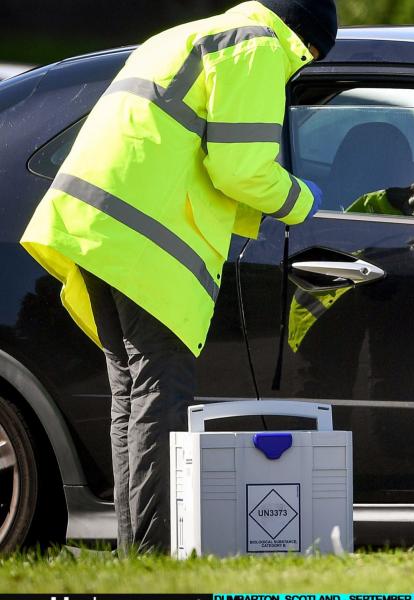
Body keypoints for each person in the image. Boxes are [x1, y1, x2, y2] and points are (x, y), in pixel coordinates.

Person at [19, 0, 337, 554]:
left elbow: (186, 150)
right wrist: (303, 201)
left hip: (97, 228)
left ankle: (135, 553)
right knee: (160, 394)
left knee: (133, 396)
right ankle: (150, 552)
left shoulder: (191, 34)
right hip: (144, 244)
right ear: (306, 43)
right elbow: (241, 166)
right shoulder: (259, 46)